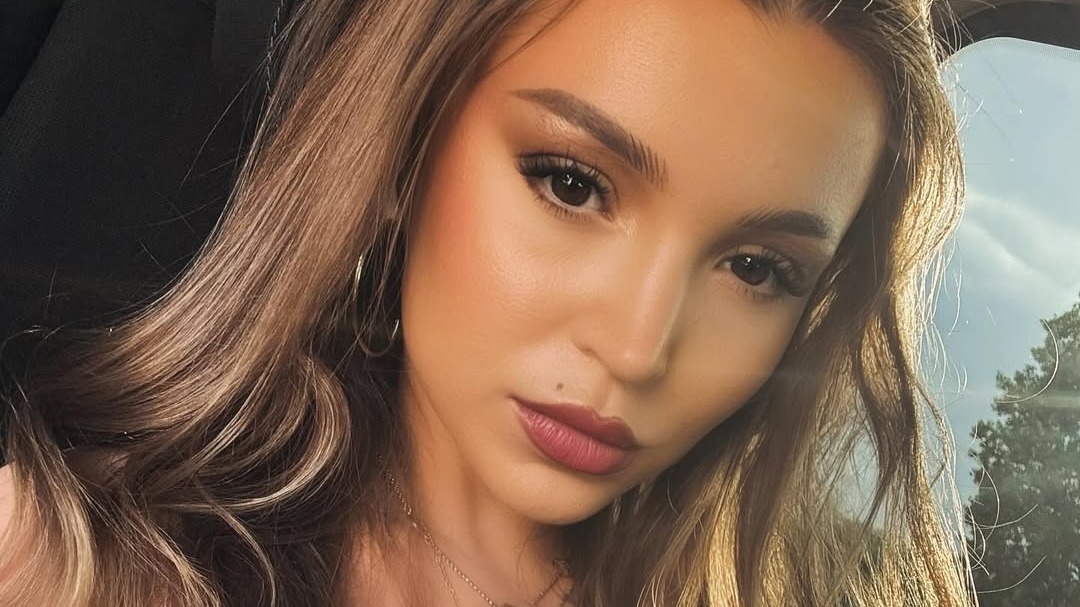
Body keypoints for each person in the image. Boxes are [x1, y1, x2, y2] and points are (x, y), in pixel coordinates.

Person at [0, 0, 975, 605]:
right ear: (403, 146)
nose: (637, 348)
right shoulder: (62, 562)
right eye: (572, 184)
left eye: (757, 269)